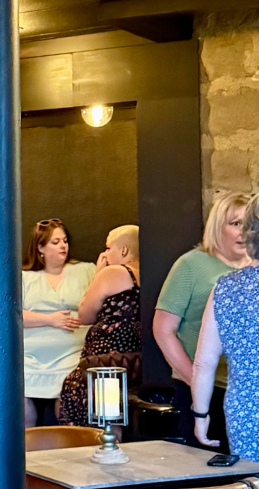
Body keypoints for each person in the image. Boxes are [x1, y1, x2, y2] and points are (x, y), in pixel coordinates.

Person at [154, 191, 251, 448]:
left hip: (245, 391)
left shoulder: (254, 268)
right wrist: (195, 380)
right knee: (208, 460)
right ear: (217, 226)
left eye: (249, 224)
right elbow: (163, 329)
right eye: (235, 223)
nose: (243, 232)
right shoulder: (191, 265)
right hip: (202, 387)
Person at [191, 195, 259, 463]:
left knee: (252, 484)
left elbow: (203, 362)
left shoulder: (226, 288)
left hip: (246, 415)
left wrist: (200, 415)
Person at [57, 225, 141, 426]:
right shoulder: (149, 273)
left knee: (105, 421)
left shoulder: (114, 272)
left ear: (123, 250)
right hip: (136, 362)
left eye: (108, 248)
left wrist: (97, 275)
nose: (104, 255)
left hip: (106, 363)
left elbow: (85, 315)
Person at [21, 218, 97, 426]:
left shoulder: (85, 270)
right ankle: (26, 444)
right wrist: (50, 319)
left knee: (68, 393)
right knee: (18, 394)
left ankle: (68, 439)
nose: (63, 246)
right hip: (31, 357)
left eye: (64, 241)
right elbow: (12, 315)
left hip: (73, 354)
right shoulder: (25, 277)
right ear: (40, 248)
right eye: (55, 242)